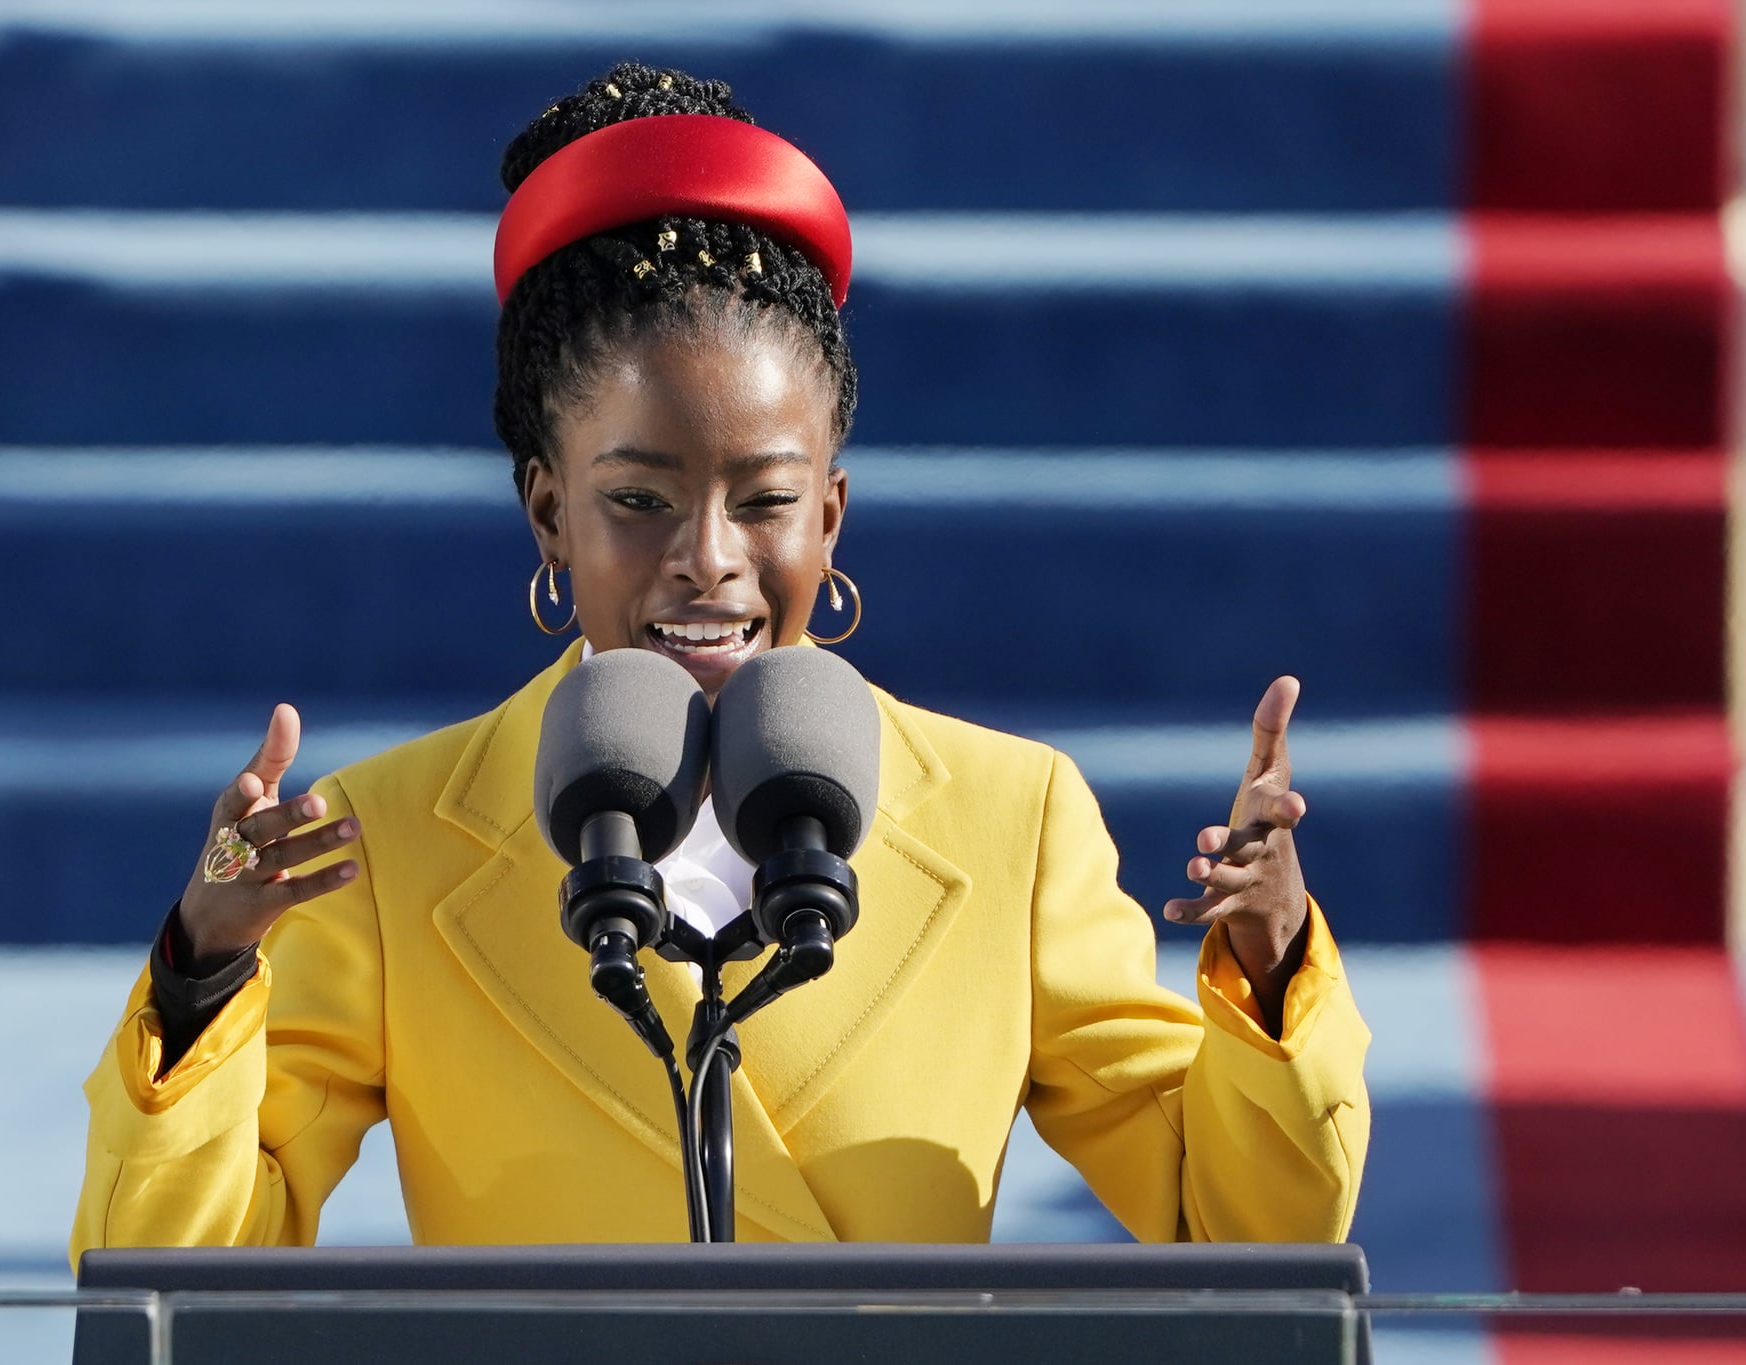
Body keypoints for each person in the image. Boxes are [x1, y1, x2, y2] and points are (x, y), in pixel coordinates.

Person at [71, 63, 1369, 1256]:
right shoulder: (388, 840)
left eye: (763, 499)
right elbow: (181, 1288)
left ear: (831, 516)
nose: (708, 557)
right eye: (639, 500)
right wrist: (204, 967)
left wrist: (1270, 963)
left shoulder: (1008, 820)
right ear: (549, 515)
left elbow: (1243, 1230)